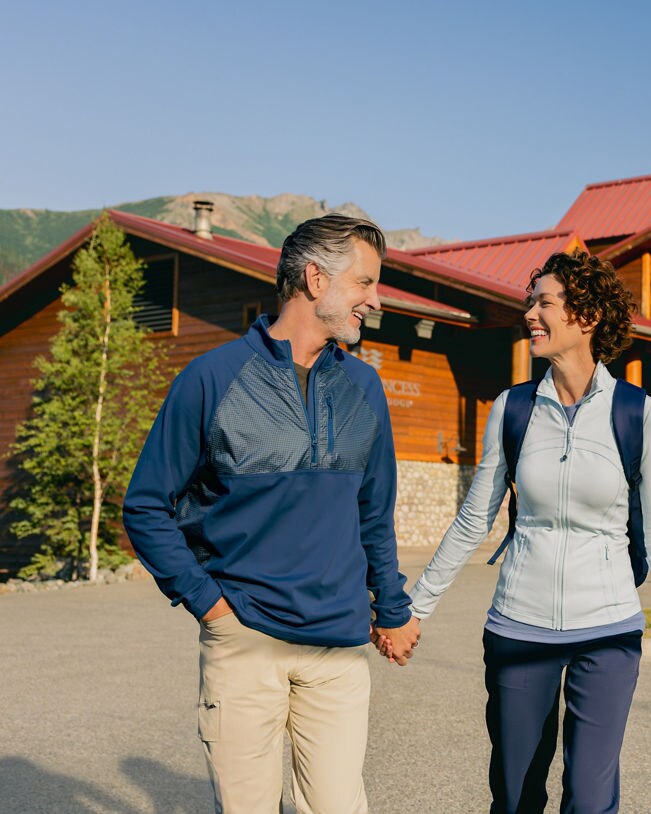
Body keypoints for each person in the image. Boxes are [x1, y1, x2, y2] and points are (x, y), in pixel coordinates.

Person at [123, 214, 420, 814]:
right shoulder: (212, 378)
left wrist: (391, 606)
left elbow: (374, 514)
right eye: (364, 283)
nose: (375, 299)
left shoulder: (364, 389)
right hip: (244, 637)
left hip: (337, 646)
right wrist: (208, 602)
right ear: (315, 278)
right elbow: (146, 504)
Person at [397, 249, 651, 814]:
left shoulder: (639, 414)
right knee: (515, 798)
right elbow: (473, 520)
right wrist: (415, 608)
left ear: (585, 317)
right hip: (520, 626)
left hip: (608, 629)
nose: (530, 315)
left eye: (544, 303)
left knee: (589, 801)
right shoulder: (512, 408)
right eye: (529, 302)